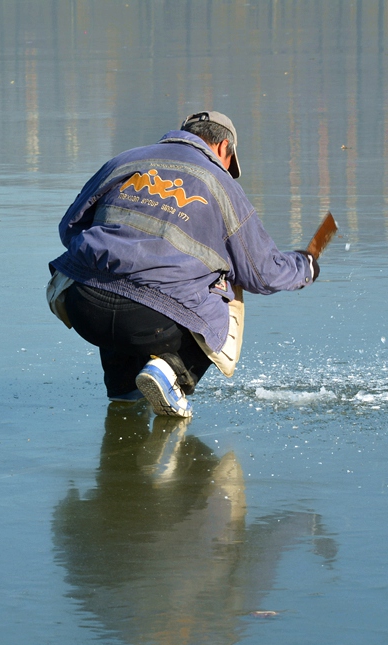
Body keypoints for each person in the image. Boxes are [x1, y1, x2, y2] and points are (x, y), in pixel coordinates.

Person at [46, 111, 319, 418]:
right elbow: (262, 274)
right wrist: (305, 265)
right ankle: (173, 372)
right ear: (223, 148)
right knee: (224, 285)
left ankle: (123, 390)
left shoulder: (126, 161)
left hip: (82, 307)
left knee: (112, 267)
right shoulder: (221, 184)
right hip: (152, 324)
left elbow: (69, 228)